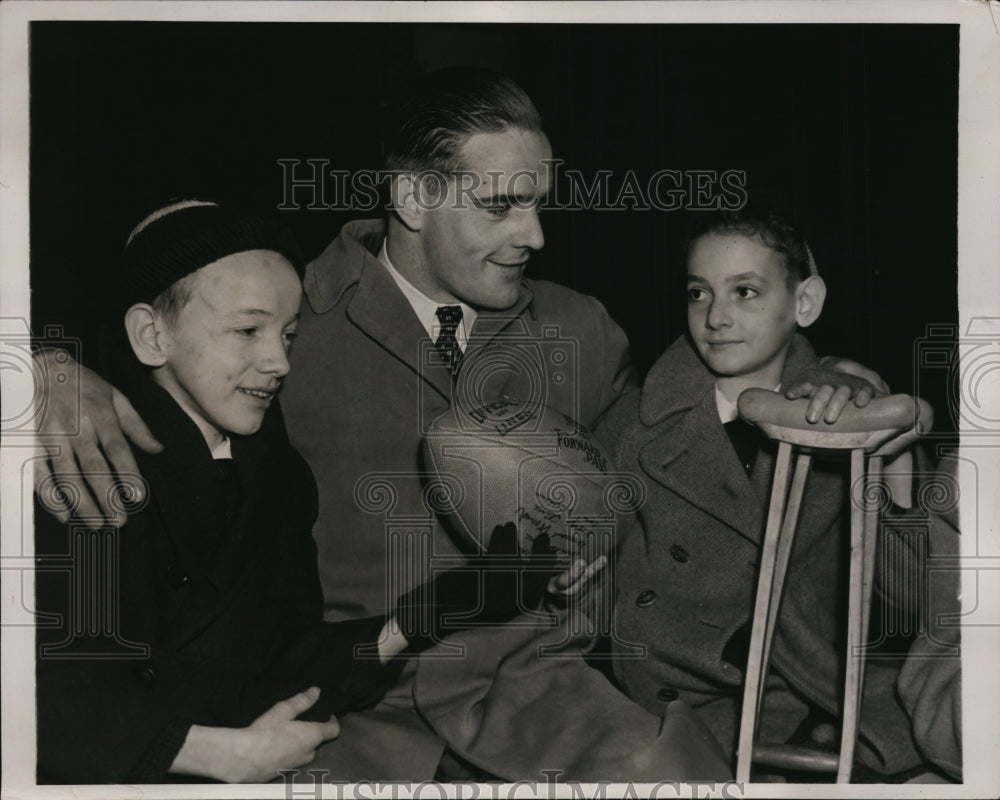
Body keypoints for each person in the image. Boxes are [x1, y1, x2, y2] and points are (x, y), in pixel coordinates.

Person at [32, 69, 881, 781]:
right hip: (341, 702)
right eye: (503, 207)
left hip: (544, 692)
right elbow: (154, 325)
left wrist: (823, 371)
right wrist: (48, 365)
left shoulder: (580, 329)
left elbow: (678, 413)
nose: (536, 235)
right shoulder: (289, 322)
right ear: (411, 197)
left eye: (539, 204)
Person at [34, 200, 408, 783]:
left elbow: (287, 658)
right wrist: (205, 751)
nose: (279, 360)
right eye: (247, 330)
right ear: (150, 336)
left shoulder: (281, 482)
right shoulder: (76, 457)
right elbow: (32, 688)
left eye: (288, 334)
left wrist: (427, 615)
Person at [594, 202, 951, 779]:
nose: (716, 317)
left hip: (807, 696)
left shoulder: (849, 416)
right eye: (698, 293)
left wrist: (899, 456)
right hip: (668, 704)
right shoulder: (632, 427)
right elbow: (586, 580)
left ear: (803, 303)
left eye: (745, 292)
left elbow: (913, 601)